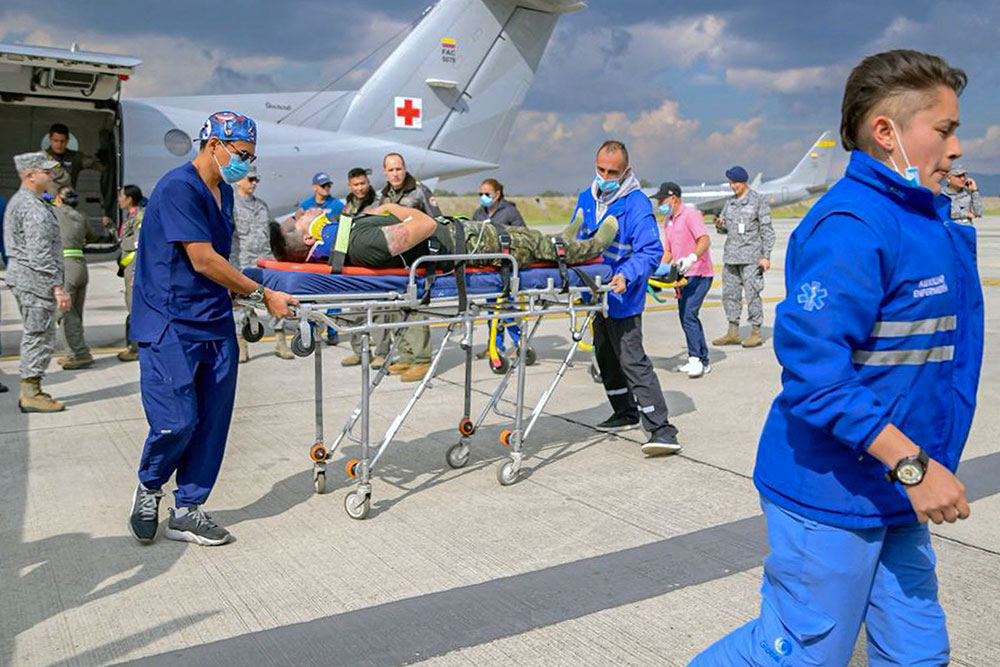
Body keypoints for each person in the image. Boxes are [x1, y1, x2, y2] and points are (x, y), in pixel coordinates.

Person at [690, 50, 981, 667]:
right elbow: (815, 376)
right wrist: (912, 467)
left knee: (918, 651)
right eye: (945, 130)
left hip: (894, 483)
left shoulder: (922, 217)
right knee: (801, 653)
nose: (956, 148)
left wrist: (915, 467)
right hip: (833, 489)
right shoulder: (852, 225)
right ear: (887, 132)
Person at [127, 111, 297, 547]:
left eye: (251, 158)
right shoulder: (177, 188)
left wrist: (252, 288)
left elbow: (219, 263)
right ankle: (150, 488)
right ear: (214, 145)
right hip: (170, 321)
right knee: (177, 421)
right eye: (241, 154)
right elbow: (202, 258)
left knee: (212, 420)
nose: (245, 164)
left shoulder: (221, 193)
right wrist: (263, 295)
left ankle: (188, 509)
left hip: (213, 319)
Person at [573, 140, 680, 456]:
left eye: (612, 172)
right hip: (595, 293)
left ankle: (662, 429)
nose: (605, 176)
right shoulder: (586, 198)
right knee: (604, 356)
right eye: (601, 169)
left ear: (626, 171)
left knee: (631, 359)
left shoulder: (635, 204)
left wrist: (626, 275)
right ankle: (624, 411)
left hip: (622, 294)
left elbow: (650, 251)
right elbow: (577, 240)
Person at [270, 203, 616, 269]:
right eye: (296, 221)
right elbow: (425, 225)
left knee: (527, 235)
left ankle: (566, 239)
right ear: (309, 240)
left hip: (470, 236)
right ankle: (589, 247)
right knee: (534, 245)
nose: (303, 213)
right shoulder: (359, 243)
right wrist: (393, 206)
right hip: (474, 245)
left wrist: (382, 211)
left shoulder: (347, 233)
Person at [3, 152, 72, 412]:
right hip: (35, 282)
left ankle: (32, 389)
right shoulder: (32, 208)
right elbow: (40, 253)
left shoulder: (27, 202)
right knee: (38, 335)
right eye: (46, 172)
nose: (51, 175)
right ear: (30, 175)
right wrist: (58, 287)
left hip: (28, 280)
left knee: (38, 333)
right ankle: (31, 393)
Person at [378, 153, 443, 383]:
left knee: (415, 307)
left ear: (405, 169)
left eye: (398, 169)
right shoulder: (384, 195)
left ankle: (422, 360)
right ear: (385, 172)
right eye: (391, 170)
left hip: (418, 257)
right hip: (396, 259)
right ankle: (406, 354)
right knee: (397, 306)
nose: (395, 174)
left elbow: (438, 221)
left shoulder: (419, 191)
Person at [651, 182, 713, 379]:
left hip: (700, 273)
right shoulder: (668, 221)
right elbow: (669, 250)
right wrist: (658, 269)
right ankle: (701, 359)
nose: (660, 203)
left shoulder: (690, 215)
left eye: (662, 199)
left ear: (674, 198)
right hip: (682, 276)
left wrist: (691, 258)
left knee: (689, 315)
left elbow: (704, 239)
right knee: (685, 316)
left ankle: (696, 359)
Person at [231, 165, 293, 362]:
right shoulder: (230, 207)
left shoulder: (262, 206)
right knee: (242, 305)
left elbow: (271, 235)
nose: (254, 183)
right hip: (242, 261)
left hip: (265, 260)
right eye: (250, 179)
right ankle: (242, 344)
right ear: (239, 180)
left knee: (274, 298)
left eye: (256, 179)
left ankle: (280, 341)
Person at [711, 165, 774, 349]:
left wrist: (766, 256)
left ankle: (755, 332)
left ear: (744, 182)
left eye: (735, 182)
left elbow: (767, 231)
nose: (732, 186)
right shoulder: (729, 203)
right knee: (730, 295)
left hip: (752, 258)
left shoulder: (758, 201)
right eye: (731, 183)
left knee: (752, 294)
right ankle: (733, 332)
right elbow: (725, 229)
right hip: (731, 256)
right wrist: (719, 225)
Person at [472, 178, 527, 362]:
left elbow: (523, 233)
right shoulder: (478, 213)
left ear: (497, 194)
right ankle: (495, 346)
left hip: (506, 267)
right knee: (491, 311)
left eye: (487, 194)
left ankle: (520, 343)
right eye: (480, 194)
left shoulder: (510, 211)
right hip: (488, 268)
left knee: (507, 308)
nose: (483, 197)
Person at [340, 167, 388, 368]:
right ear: (349, 186)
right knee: (355, 311)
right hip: (353, 265)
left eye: (363, 183)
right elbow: (343, 232)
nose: (360, 188)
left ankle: (382, 353)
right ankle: (358, 351)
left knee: (378, 310)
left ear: (368, 183)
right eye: (356, 185)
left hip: (374, 264)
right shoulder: (347, 206)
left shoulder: (379, 204)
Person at [53, 185, 100, 370]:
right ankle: (77, 350)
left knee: (65, 313)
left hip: (65, 266)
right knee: (76, 313)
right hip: (80, 265)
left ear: (59, 199)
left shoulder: (54, 213)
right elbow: (93, 236)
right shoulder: (81, 215)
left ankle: (79, 354)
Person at [116, 185, 145, 362]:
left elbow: (139, 246)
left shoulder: (140, 216)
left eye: (121, 196)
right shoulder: (131, 216)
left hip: (134, 270)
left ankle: (136, 349)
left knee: (135, 309)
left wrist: (136, 274)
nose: (119, 200)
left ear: (130, 199)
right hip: (129, 270)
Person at [45, 123, 104, 194]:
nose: (59, 145)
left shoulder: (76, 157)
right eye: (55, 140)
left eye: (62, 141)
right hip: (44, 200)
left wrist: (104, 158)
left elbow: (101, 167)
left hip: (66, 199)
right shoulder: (41, 157)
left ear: (67, 141)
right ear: (50, 139)